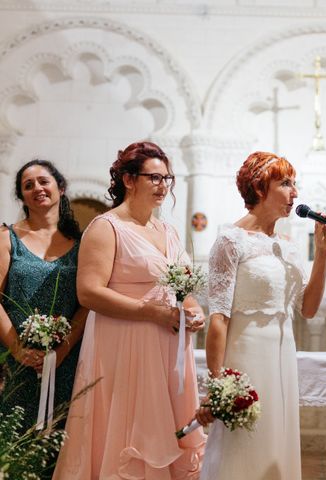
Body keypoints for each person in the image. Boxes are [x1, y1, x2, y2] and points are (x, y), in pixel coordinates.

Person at [53, 142, 206, 479]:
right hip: (125, 344)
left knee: (167, 424)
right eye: (154, 177)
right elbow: (89, 292)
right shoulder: (106, 227)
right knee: (130, 424)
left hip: (168, 346)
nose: (163, 185)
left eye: (167, 178)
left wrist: (193, 310)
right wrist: (150, 312)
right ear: (128, 179)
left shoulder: (168, 231)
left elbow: (183, 288)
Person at [194, 151, 326, 480]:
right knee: (244, 446)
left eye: (294, 183)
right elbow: (218, 318)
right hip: (245, 361)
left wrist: (324, 255)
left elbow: (309, 309)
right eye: (285, 183)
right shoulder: (231, 241)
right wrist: (217, 385)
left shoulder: (288, 245)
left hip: (282, 359)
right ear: (259, 188)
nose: (294, 192)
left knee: (276, 444)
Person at [0, 160, 87, 474]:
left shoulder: (82, 246)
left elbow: (86, 305)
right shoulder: (6, 238)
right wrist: (18, 350)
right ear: (22, 198)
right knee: (14, 442)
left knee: (60, 446)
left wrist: (61, 352)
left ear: (60, 188)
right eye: (28, 185)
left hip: (67, 362)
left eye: (43, 181)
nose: (37, 188)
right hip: (15, 361)